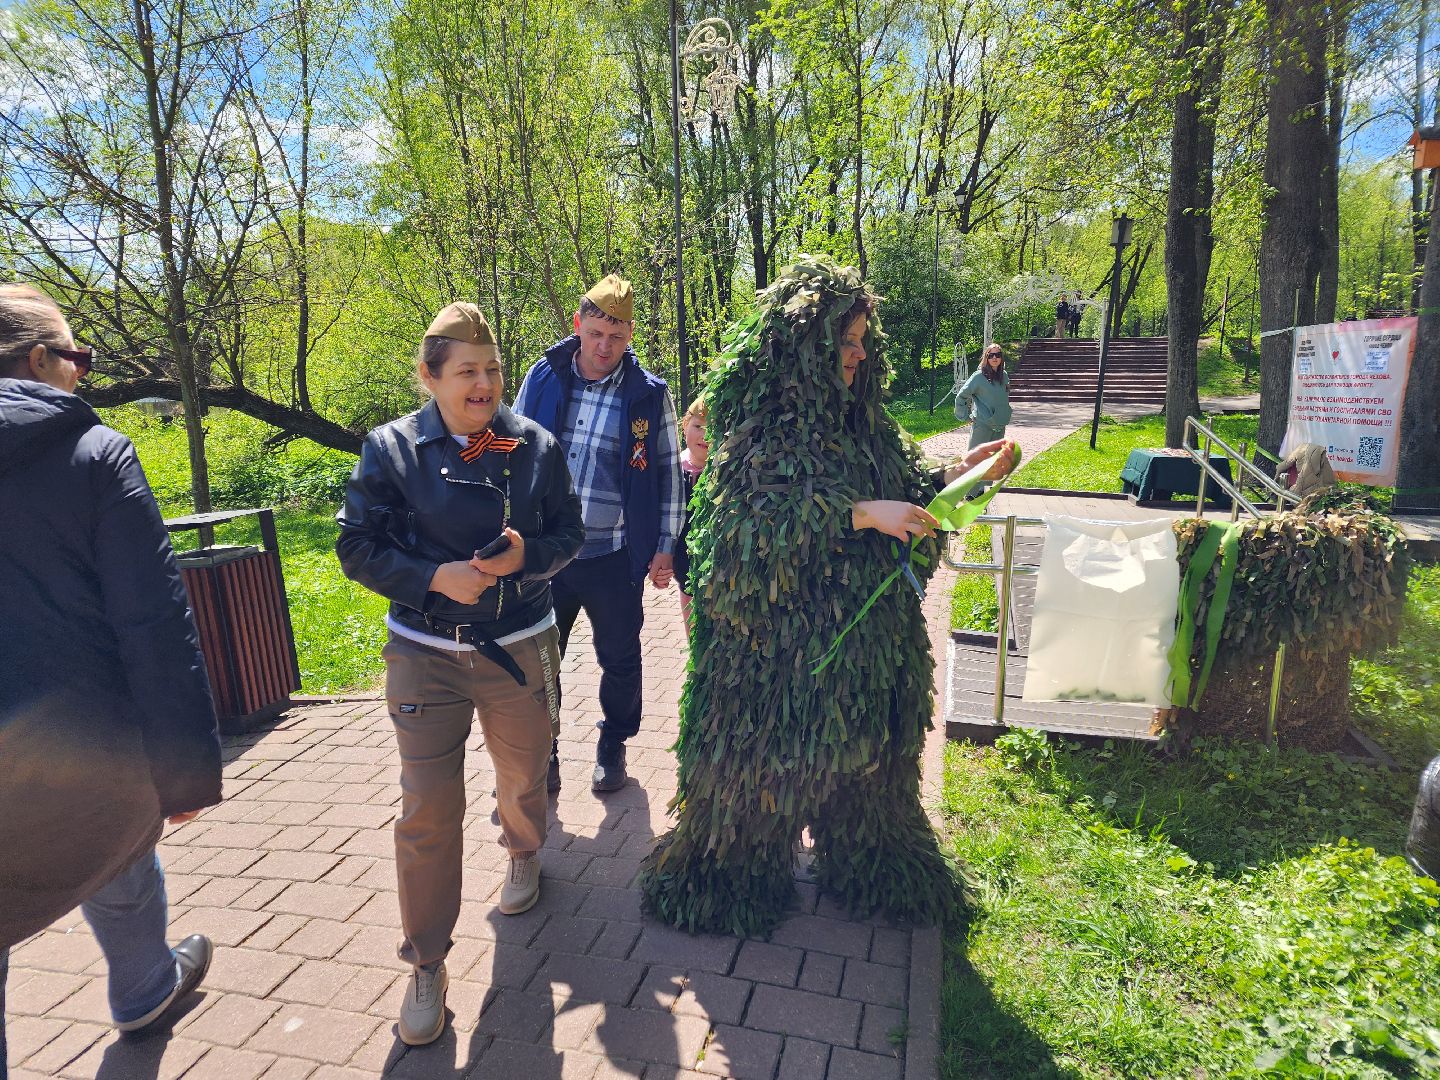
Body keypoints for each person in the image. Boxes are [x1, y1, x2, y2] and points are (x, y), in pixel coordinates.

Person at [640, 257, 1017, 935]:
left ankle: (870, 863)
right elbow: (742, 542)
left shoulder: (868, 424)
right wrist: (861, 514)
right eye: (846, 341)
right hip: (776, 673)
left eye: (863, 341)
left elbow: (907, 489)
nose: (858, 354)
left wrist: (956, 474)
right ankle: (735, 877)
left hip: (866, 661)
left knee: (869, 778)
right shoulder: (756, 434)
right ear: (804, 346)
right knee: (757, 789)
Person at [335, 302, 583, 1047]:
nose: (484, 384)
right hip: (424, 653)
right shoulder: (391, 450)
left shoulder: (536, 445)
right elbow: (355, 546)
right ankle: (427, 963)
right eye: (467, 371)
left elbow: (569, 532)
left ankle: (523, 850)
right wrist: (432, 578)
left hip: (519, 643)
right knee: (427, 810)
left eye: (493, 369)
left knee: (525, 777)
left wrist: (529, 558)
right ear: (429, 376)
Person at [1, 284, 221, 1050]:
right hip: (86, 750)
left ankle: (147, 985)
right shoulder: (95, 455)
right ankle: (144, 987)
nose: (83, 375)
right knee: (120, 841)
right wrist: (186, 772)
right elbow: (153, 622)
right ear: (40, 361)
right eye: (79, 358)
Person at [513, 274, 685, 793]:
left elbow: (667, 473)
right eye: (595, 334)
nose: (604, 347)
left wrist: (664, 545)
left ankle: (614, 744)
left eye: (616, 336)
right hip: (545, 552)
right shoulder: (543, 376)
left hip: (613, 553)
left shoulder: (649, 395)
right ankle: (543, 751)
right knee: (539, 658)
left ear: (630, 335)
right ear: (578, 326)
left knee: (620, 657)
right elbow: (510, 447)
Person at [674, 395, 709, 633]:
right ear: (685, 425)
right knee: (694, 628)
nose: (704, 436)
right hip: (683, 564)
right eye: (698, 426)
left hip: (718, 569)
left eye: (712, 428)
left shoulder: (725, 472)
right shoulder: (673, 468)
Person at [957, 342, 1012, 450]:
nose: (994, 358)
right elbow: (962, 396)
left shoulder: (1004, 375)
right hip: (982, 426)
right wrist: (965, 416)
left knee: (995, 457)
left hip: (1000, 425)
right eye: (991, 355)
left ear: (1001, 357)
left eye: (998, 355)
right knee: (976, 457)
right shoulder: (978, 376)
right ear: (986, 357)